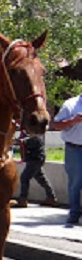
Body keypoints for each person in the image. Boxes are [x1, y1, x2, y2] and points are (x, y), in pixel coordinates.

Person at [51, 94, 82, 226]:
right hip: (75, 149)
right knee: (75, 182)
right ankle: (74, 213)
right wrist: (74, 120)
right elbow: (56, 125)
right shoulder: (70, 105)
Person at [14, 132, 58, 207]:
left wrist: (17, 141)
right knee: (41, 179)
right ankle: (51, 197)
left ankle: (23, 199)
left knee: (24, 178)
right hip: (37, 159)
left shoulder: (35, 136)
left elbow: (28, 141)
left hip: (34, 159)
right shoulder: (34, 135)